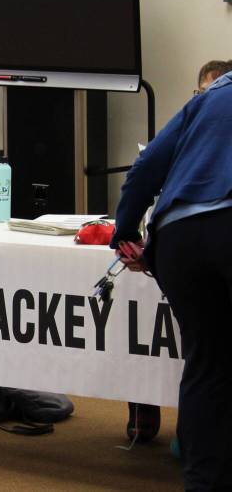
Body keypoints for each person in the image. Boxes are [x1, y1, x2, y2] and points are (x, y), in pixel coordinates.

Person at [111, 68, 232, 489]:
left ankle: (202, 482)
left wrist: (125, 230)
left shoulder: (209, 98)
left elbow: (147, 166)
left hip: (180, 238)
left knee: (207, 363)